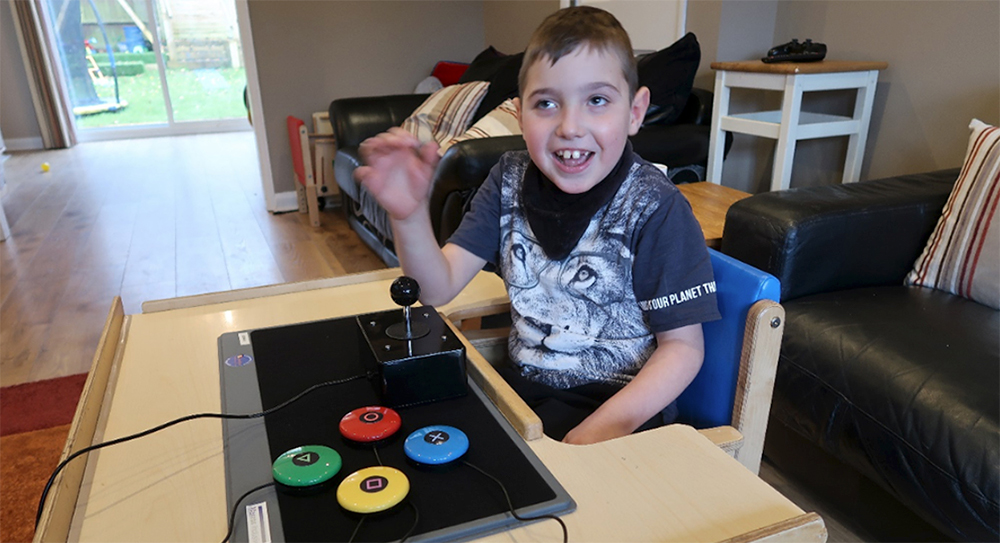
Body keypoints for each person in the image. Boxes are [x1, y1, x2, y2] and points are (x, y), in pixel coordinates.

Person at [355, 6, 720, 445]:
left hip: (618, 414)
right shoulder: (506, 180)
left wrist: (587, 440)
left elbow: (682, 350)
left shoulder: (656, 206)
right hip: (523, 398)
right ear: (518, 112)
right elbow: (436, 289)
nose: (570, 127)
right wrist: (409, 215)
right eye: (546, 103)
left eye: (597, 100)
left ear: (635, 111)